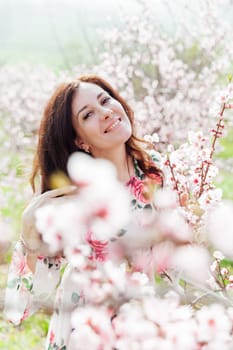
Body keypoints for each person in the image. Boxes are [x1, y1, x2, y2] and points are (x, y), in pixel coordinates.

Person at [4, 75, 163, 349]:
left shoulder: (158, 172)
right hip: (85, 332)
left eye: (105, 100)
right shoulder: (71, 204)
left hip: (147, 325)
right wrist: (29, 238)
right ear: (79, 141)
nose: (105, 113)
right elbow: (19, 310)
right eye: (88, 114)